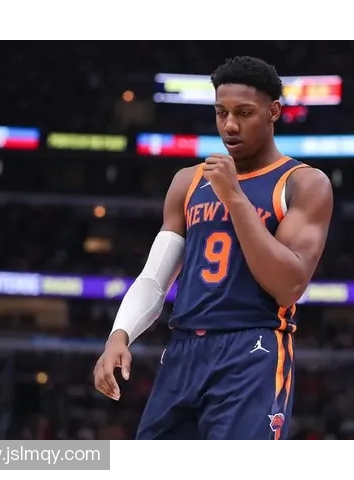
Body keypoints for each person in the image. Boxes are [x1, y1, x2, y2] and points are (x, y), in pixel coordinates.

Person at [93, 56, 333, 440]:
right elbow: (155, 279)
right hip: (183, 348)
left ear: (274, 112)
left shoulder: (303, 183)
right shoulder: (187, 181)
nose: (230, 125)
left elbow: (288, 286)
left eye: (244, 113)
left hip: (252, 346)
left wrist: (235, 199)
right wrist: (119, 334)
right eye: (221, 113)